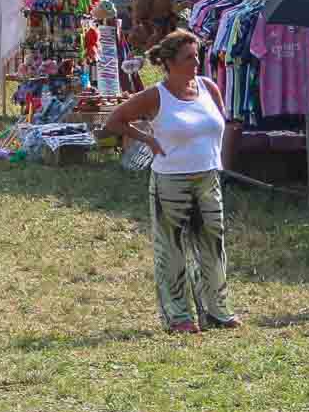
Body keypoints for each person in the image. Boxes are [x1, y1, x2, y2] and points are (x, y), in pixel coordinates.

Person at [103, 29, 240, 335]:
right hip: (171, 181)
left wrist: (219, 161)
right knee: (173, 250)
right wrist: (147, 139)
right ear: (170, 62)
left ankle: (216, 311)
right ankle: (178, 316)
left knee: (213, 247)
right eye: (189, 58)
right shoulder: (156, 95)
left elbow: (219, 124)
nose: (197, 62)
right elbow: (114, 120)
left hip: (207, 177)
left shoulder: (208, 87)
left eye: (197, 56)